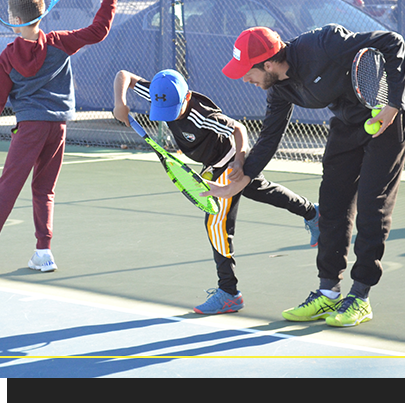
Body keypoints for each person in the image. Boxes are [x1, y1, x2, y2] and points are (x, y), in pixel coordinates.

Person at [207, 25, 405, 327]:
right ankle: (327, 292)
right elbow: (269, 137)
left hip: (387, 118)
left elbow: (392, 42)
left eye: (247, 71)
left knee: (373, 204)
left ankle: (360, 296)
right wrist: (240, 181)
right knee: (332, 204)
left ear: (267, 64)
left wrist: (394, 103)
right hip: (347, 120)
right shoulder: (278, 88)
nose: (245, 78)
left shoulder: (323, 44)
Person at [112, 68, 319, 314]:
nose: (168, 116)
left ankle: (228, 292)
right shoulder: (160, 93)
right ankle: (313, 213)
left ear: (186, 98)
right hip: (212, 162)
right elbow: (124, 75)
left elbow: (239, 129)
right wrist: (120, 103)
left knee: (215, 223)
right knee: (260, 190)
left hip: (228, 160)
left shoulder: (201, 114)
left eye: (173, 111)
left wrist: (240, 163)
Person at [0, 0, 117, 275]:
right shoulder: (61, 42)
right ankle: (44, 253)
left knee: (7, 189)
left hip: (30, 129)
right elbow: (98, 31)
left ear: (14, 19)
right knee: (44, 190)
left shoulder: (8, 56)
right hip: (58, 128)